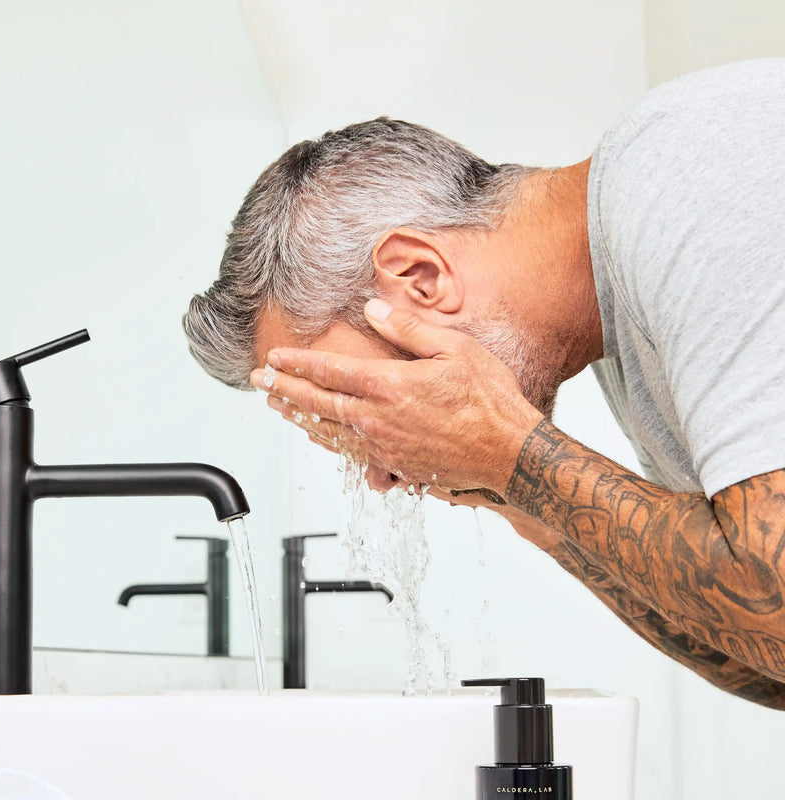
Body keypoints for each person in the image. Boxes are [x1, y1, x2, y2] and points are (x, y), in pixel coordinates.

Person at [183, 58, 785, 709]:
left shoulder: (691, 167)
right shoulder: (625, 326)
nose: (389, 467)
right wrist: (520, 496)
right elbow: (769, 661)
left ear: (419, 276)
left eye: (360, 405)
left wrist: (516, 457)